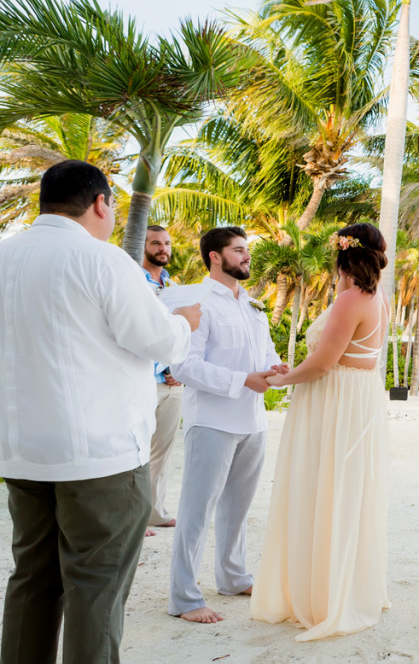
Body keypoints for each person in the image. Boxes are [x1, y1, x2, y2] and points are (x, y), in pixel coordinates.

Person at [0, 160, 200, 663]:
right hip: (100, 456)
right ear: (100, 203)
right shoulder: (104, 261)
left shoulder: (3, 258)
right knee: (97, 589)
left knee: (32, 581)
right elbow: (159, 342)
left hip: (22, 452)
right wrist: (182, 322)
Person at [251, 223, 392, 640]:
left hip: (335, 401)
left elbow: (324, 364)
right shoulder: (379, 298)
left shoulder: (352, 298)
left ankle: (327, 597)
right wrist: (293, 370)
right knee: (344, 491)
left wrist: (278, 381)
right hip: (355, 398)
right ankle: (342, 585)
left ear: (343, 255)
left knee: (325, 488)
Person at [168, 226, 287, 624]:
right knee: (196, 511)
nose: (246, 257)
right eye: (238, 251)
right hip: (212, 422)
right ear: (215, 257)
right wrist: (241, 381)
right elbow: (183, 366)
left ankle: (233, 577)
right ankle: (184, 598)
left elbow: (265, 351)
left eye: (246, 250)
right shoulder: (197, 302)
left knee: (238, 508)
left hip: (254, 420)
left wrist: (275, 368)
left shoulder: (252, 304)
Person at [142, 225, 184, 535]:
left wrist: (177, 367)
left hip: (172, 383)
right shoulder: (132, 281)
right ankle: (133, 517)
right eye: (156, 242)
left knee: (162, 450)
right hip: (142, 381)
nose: (163, 248)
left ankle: (155, 512)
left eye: (166, 243)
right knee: (136, 451)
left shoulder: (174, 286)